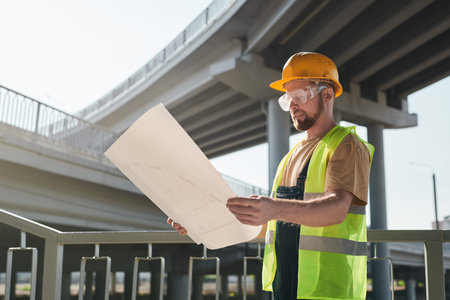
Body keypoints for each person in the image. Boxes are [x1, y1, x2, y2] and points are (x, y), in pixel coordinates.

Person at [169, 52, 373, 300]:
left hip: (329, 291)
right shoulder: (291, 157)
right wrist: (199, 223)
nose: (293, 105)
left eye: (300, 96)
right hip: (286, 286)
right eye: (288, 99)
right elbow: (268, 223)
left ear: (327, 94)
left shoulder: (346, 144)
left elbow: (337, 209)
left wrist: (273, 207)